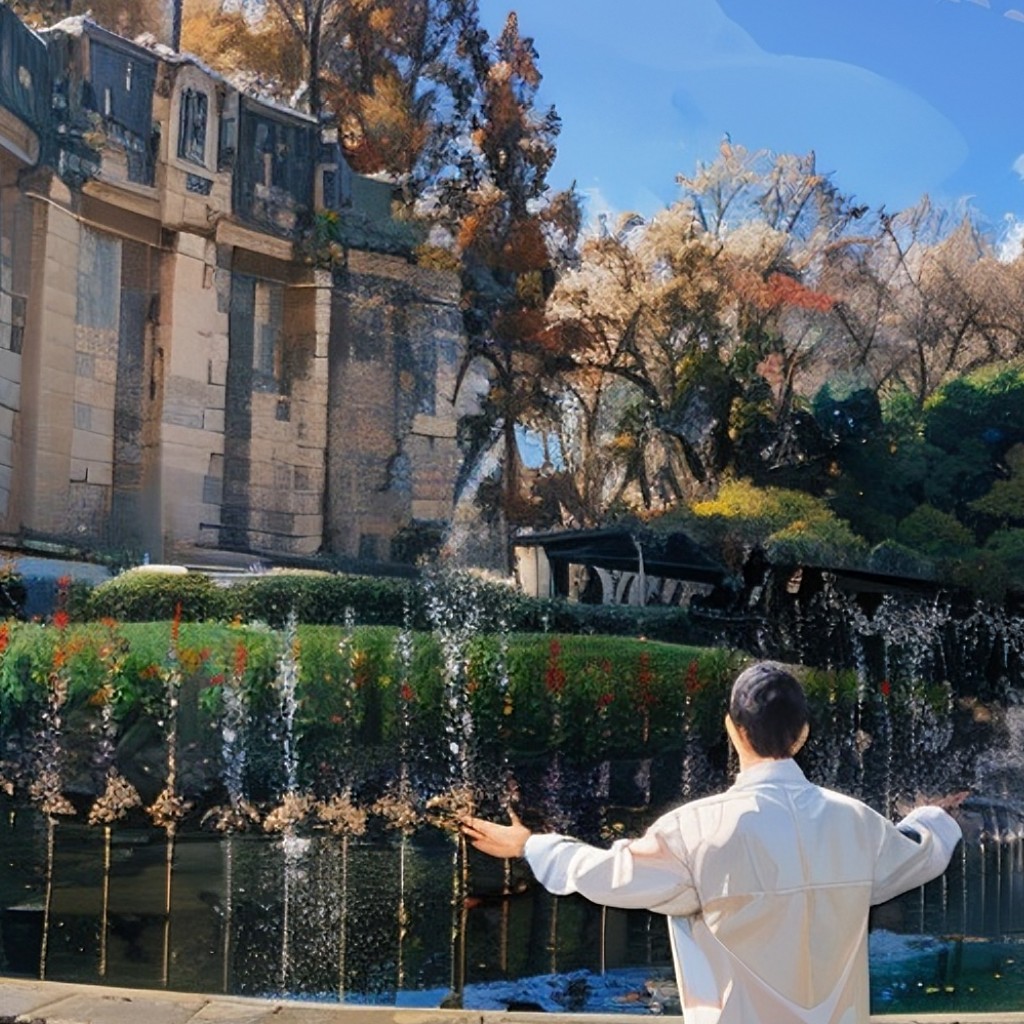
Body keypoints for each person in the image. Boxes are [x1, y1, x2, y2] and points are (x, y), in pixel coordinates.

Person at [462, 661, 963, 1024]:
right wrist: (935, 816)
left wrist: (531, 845)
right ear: (803, 734)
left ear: (732, 730)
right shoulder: (856, 822)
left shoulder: (697, 829)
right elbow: (920, 853)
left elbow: (609, 874)